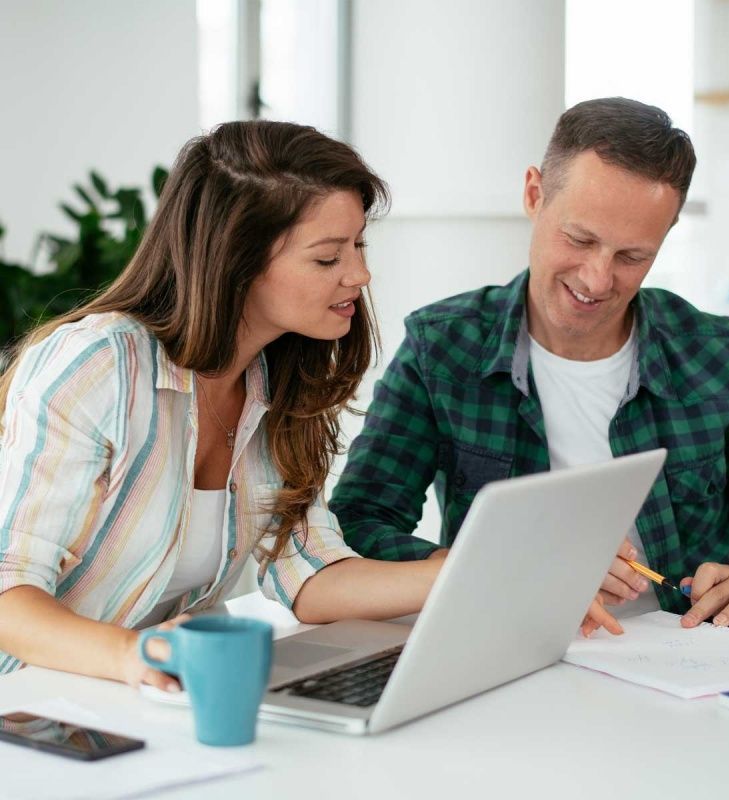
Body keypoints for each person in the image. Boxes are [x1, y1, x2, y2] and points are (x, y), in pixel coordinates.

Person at [0, 120, 469, 693]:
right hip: (36, 703)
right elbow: (9, 591)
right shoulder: (100, 365)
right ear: (237, 261)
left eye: (358, 246)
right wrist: (136, 656)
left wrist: (464, 573)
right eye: (327, 258)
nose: (360, 275)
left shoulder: (277, 383)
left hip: (159, 698)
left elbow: (309, 573)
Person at [331, 97, 729, 635]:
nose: (598, 279)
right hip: (511, 648)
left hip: (688, 665)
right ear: (534, 194)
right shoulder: (442, 349)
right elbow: (359, 526)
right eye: (580, 239)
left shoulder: (727, 360)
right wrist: (514, 570)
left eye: (632, 257)